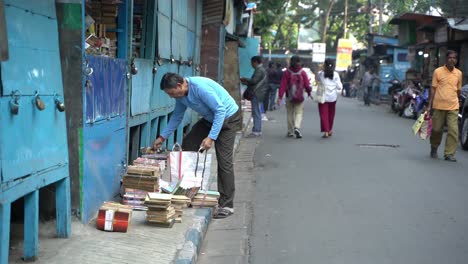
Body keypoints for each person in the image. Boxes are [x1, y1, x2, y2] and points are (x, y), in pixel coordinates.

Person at [152, 73, 241, 218]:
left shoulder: (200, 88)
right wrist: (162, 137)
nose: (171, 96)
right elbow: (177, 116)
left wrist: (211, 137)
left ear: (180, 85)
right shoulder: (181, 96)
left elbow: (220, 110)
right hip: (210, 118)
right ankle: (189, 188)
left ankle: (227, 205)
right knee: (189, 143)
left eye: (171, 93)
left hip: (227, 118)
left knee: (224, 162)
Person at [428, 50, 463, 162]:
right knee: (436, 129)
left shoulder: (459, 73)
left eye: (454, 58)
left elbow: (458, 90)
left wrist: (458, 100)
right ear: (446, 59)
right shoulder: (438, 71)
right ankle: (434, 147)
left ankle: (449, 154)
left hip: (453, 106)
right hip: (438, 106)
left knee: (453, 130)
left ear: (456, 60)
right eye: (450, 58)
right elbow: (433, 89)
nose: (452, 60)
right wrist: (429, 105)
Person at [277, 55, 312, 138]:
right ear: (299, 62)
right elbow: (307, 85)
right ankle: (297, 127)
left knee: (289, 113)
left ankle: (290, 131)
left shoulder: (287, 72)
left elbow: (283, 85)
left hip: (289, 96)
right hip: (299, 97)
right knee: (299, 113)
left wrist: (280, 97)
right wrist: (309, 93)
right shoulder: (302, 72)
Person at [240, 56, 268, 137]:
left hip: (256, 93)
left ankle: (256, 130)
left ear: (255, 62)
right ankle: (257, 129)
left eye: (252, 62)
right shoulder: (261, 69)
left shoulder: (259, 70)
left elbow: (254, 81)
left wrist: (244, 79)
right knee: (257, 112)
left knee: (256, 112)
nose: (251, 64)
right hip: (259, 93)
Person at [316, 58, 343, 138]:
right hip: (333, 98)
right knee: (331, 114)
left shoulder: (321, 74)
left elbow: (316, 79)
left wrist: (320, 69)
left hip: (323, 97)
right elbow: (339, 87)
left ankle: (326, 131)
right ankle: (330, 130)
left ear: (325, 65)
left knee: (323, 114)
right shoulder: (336, 75)